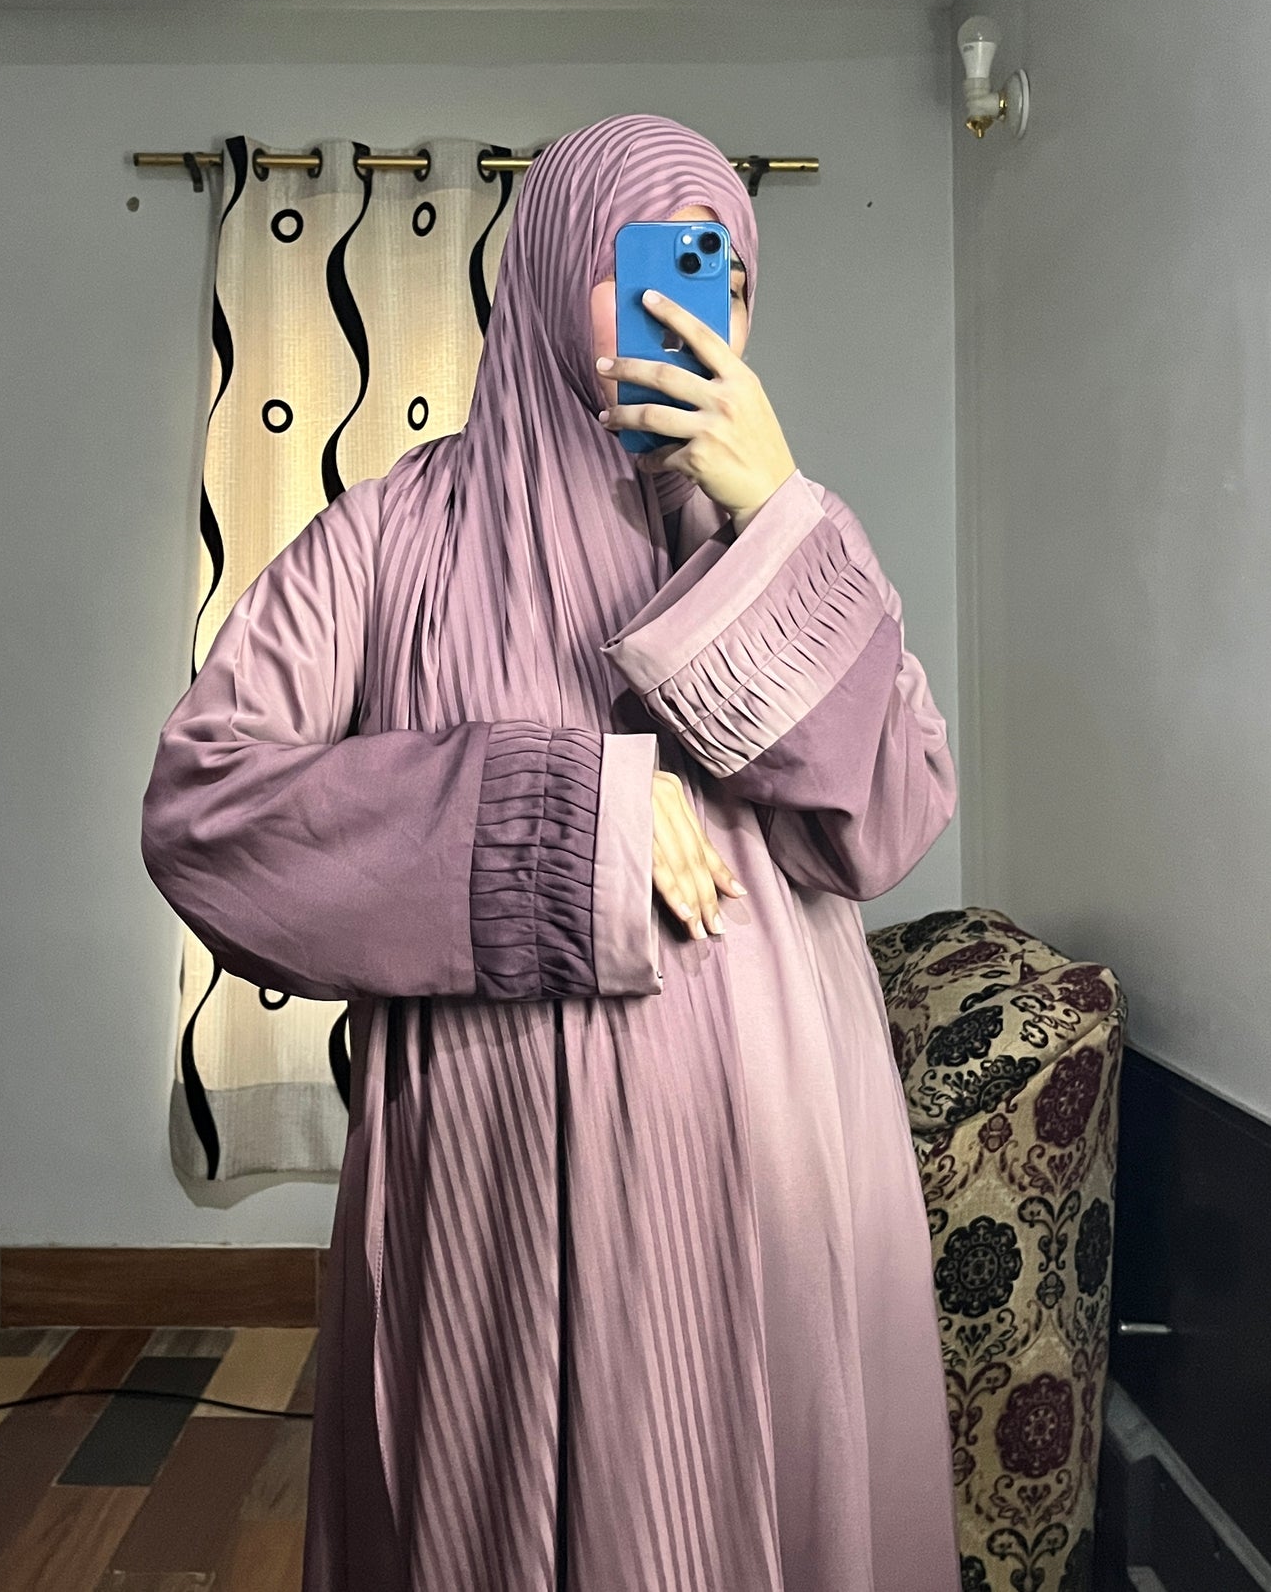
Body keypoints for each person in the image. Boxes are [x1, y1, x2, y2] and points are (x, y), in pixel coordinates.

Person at [140, 113, 962, 1592]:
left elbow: (892, 818)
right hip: (492, 1187)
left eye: (722, 279)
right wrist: (559, 813)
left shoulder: (788, 532)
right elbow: (207, 810)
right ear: (540, 279)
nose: (686, 314)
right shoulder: (386, 539)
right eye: (639, 269)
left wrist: (782, 519)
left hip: (774, 1167)